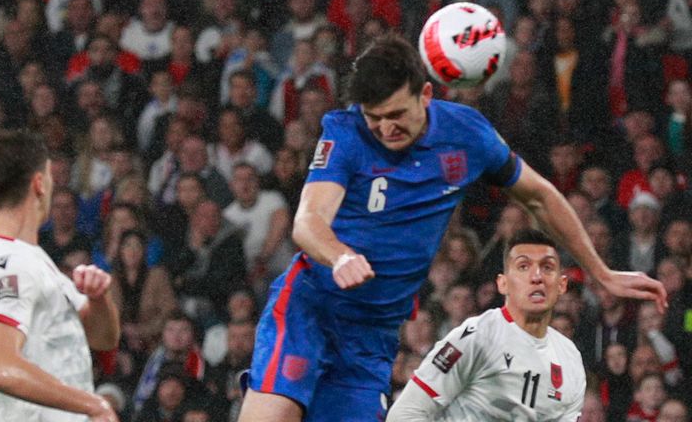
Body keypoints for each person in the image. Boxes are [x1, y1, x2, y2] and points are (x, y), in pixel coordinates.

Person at [238, 34, 666, 422]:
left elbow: (539, 195)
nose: (386, 128)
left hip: (372, 337)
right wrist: (341, 255)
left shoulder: (465, 134)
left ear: (425, 94)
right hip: (310, 306)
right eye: (375, 117)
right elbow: (309, 221)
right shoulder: (345, 133)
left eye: (396, 115)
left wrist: (601, 271)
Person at [0, 130, 120, 421]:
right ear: (39, 184)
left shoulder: (27, 257)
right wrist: (93, 405)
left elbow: (103, 339)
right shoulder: (4, 266)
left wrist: (99, 299)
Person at [387, 229, 586, 420]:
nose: (536, 277)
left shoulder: (570, 357)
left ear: (561, 285)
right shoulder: (476, 337)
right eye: (523, 267)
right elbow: (404, 414)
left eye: (547, 267)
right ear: (503, 283)